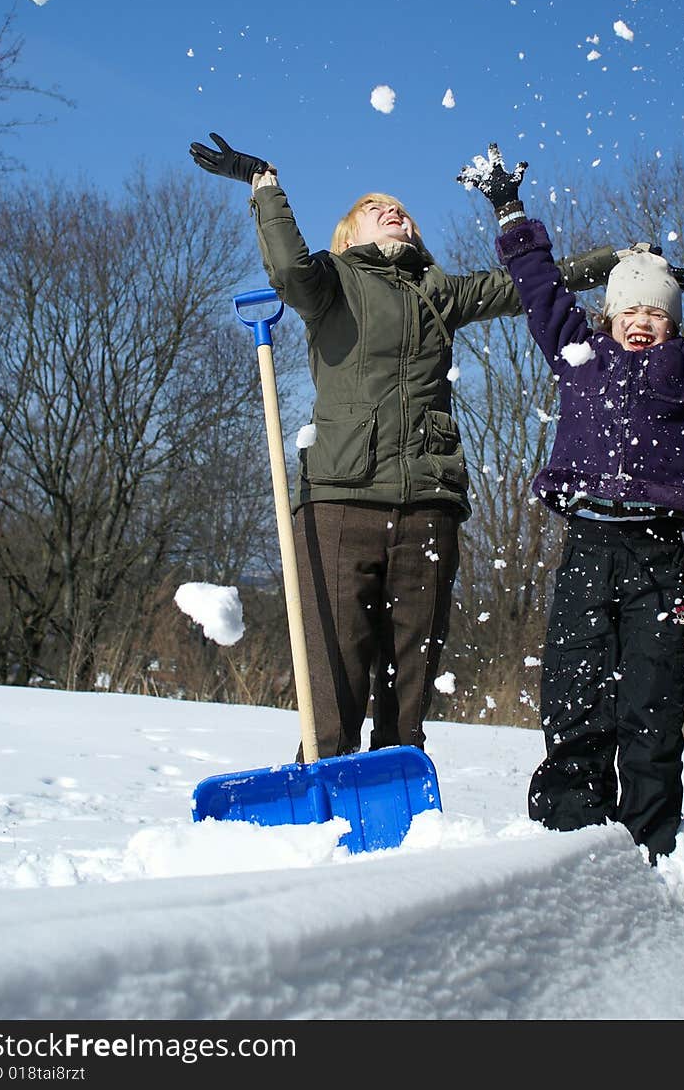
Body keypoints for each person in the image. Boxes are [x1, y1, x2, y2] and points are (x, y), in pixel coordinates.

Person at [189, 131, 639, 761]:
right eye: (377, 207)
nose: (395, 210)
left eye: (402, 208)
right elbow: (287, 269)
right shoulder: (329, 281)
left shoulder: (439, 291)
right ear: (348, 235)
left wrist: (618, 262)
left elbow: (530, 287)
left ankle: (399, 794)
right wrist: (263, 181)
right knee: (336, 670)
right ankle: (324, 786)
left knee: (411, 676)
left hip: (429, 500)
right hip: (342, 500)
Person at [458, 144, 684, 862]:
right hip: (588, 549)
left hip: (658, 556)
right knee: (575, 695)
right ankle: (568, 837)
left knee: (651, 708)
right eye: (627, 307)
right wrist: (508, 209)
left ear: (671, 321)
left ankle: (651, 844)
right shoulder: (578, 355)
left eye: (655, 310)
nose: (640, 318)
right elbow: (537, 287)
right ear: (608, 313)